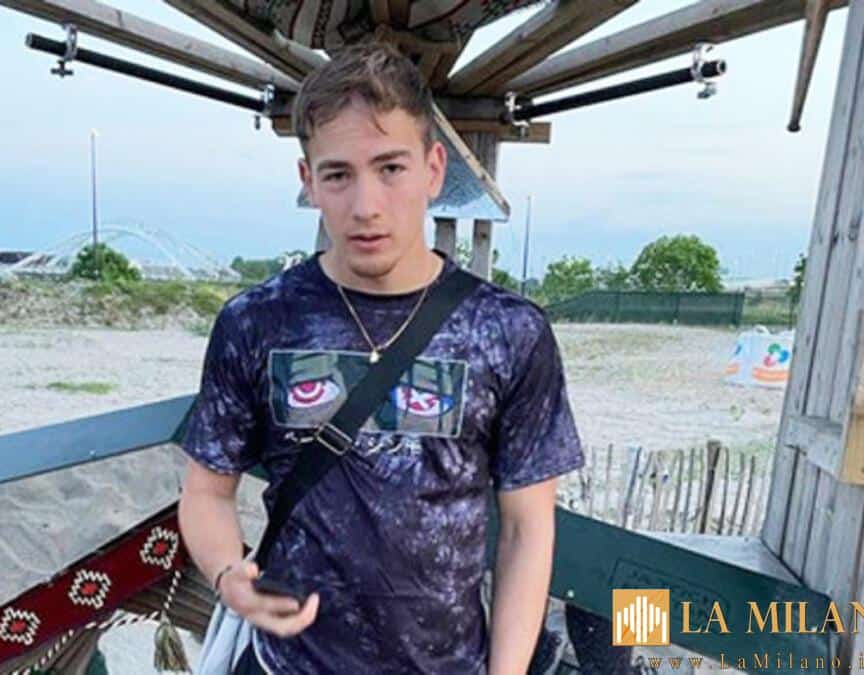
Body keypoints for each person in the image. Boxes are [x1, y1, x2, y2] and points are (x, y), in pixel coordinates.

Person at [178, 40, 584, 675]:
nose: (366, 205)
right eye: (338, 174)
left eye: (390, 168)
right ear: (309, 182)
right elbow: (206, 491)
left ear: (433, 169)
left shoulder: (509, 331)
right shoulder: (256, 322)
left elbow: (526, 529)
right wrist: (230, 573)